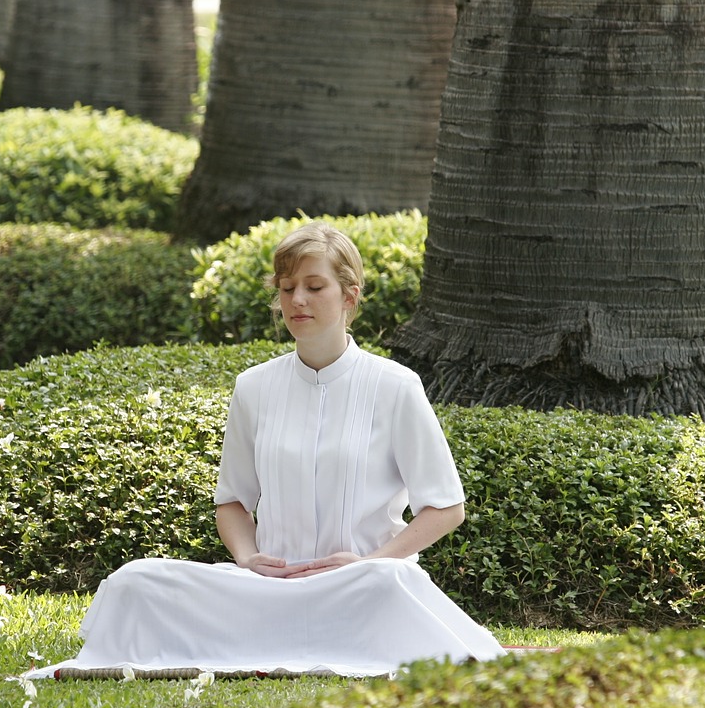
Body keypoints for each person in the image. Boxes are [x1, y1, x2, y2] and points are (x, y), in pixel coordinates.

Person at [28, 222, 505, 678]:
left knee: (391, 582)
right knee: (136, 579)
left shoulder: (396, 386)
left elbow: (446, 507)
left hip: (362, 590)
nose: (297, 299)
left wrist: (375, 561)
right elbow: (232, 500)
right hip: (269, 592)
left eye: (314, 286)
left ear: (349, 296)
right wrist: (248, 558)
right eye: (286, 287)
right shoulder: (253, 388)